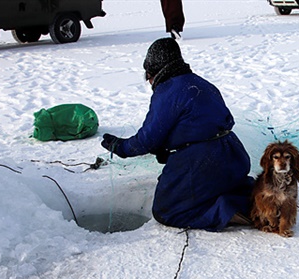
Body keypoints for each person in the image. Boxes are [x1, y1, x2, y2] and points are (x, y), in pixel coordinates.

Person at [101, 38, 254, 231]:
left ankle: (225, 211)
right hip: (233, 156)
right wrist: (167, 148)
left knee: (167, 210)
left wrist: (120, 147)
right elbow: (198, 123)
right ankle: (258, 202)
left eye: (147, 76)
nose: (148, 82)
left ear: (154, 71)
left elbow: (147, 139)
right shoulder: (201, 83)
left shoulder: (168, 91)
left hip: (203, 162)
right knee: (227, 187)